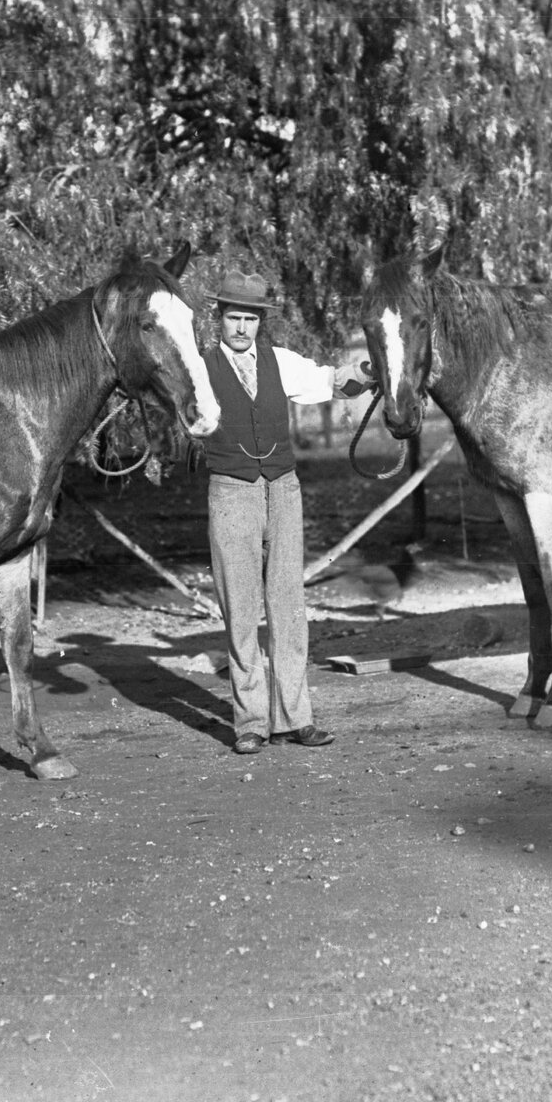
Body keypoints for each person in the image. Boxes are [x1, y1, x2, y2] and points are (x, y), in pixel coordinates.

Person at [198, 270, 371, 755]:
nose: (241, 328)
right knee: (240, 609)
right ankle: (251, 721)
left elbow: (332, 382)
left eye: (250, 319)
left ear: (260, 322)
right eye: (234, 317)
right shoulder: (199, 367)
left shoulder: (280, 361)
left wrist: (369, 372)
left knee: (288, 605)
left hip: (284, 489)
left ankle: (297, 717)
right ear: (220, 318)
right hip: (232, 492)